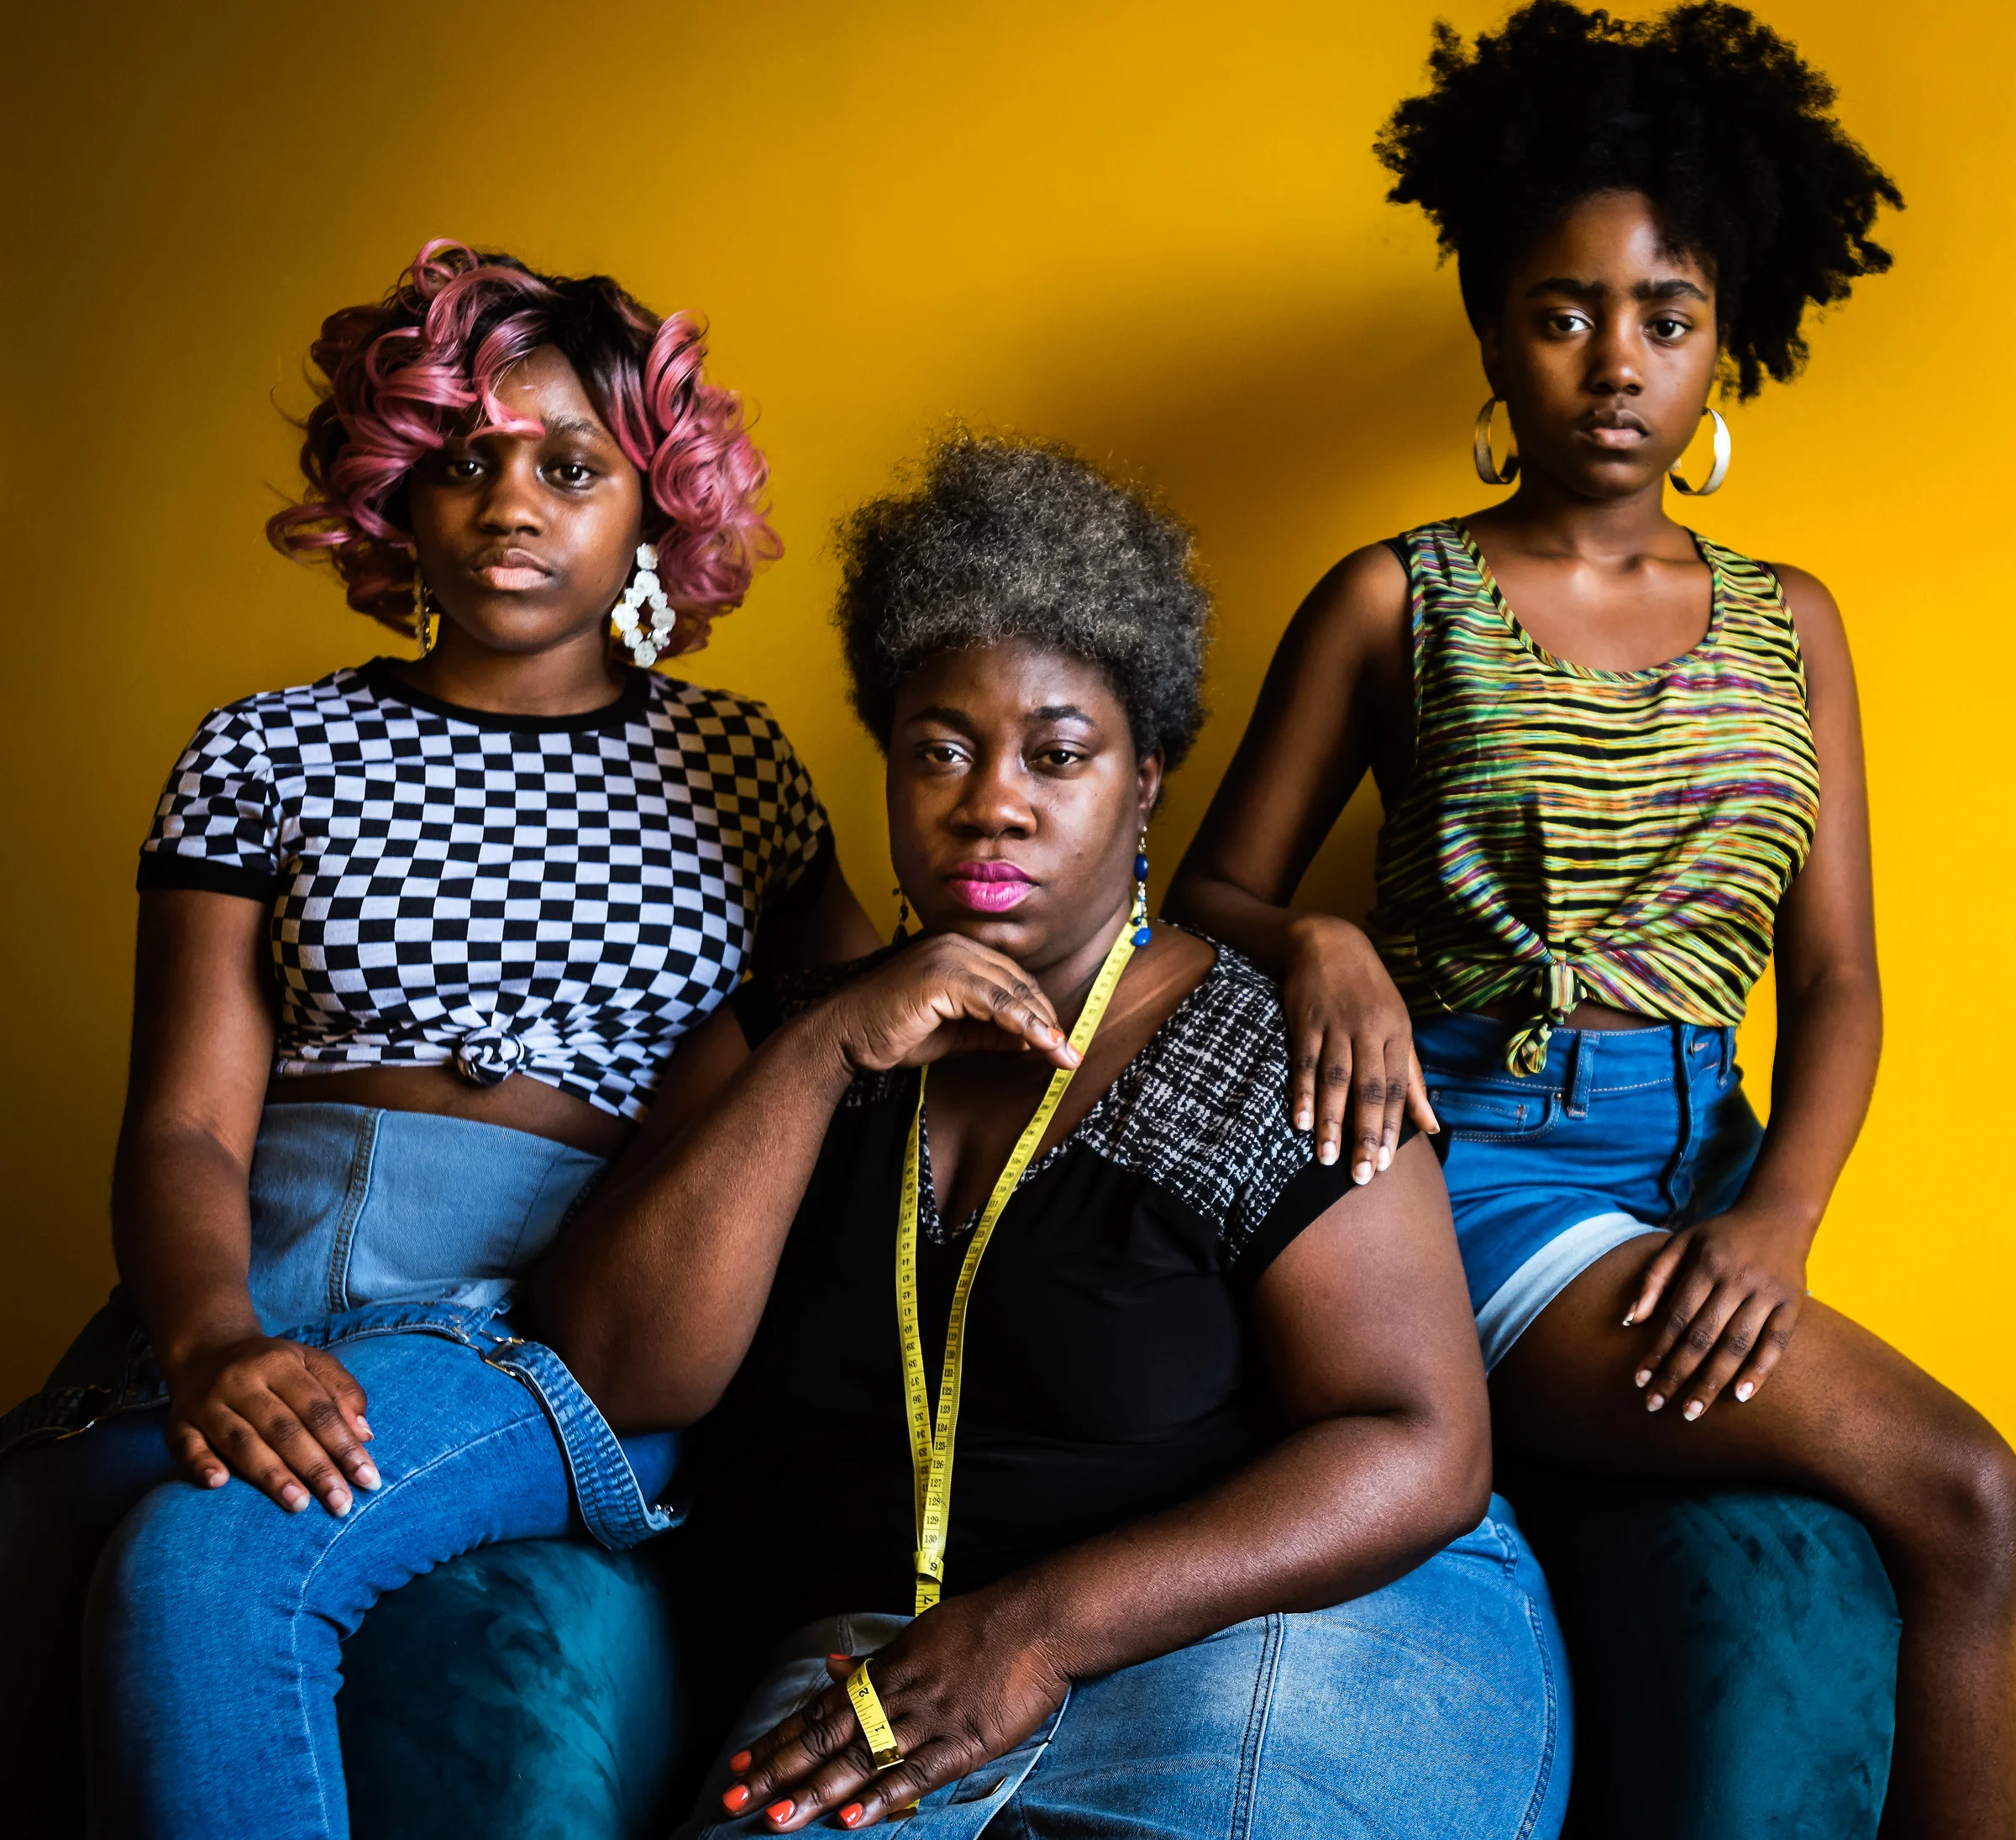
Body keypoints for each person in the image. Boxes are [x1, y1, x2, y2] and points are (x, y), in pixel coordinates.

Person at [1163, 5, 2015, 1831]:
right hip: (1466, 1177)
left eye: (1666, 316)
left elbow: (1844, 977)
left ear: (1729, 342)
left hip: (1710, 1168)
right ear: (1492, 328)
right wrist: (1319, 941)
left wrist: (1780, 1220)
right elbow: (1204, 898)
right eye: (1562, 313)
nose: (1614, 365)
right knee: (1974, 1493)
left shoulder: (1798, 621)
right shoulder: (1400, 598)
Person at [529, 432, 1572, 1838]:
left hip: (1265, 1633)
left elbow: (1423, 1443)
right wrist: (826, 1048)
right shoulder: (775, 1036)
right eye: (939, 749)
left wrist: (1029, 1633)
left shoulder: (1271, 1049)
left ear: (1145, 779)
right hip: (877, 1673)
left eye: (1059, 753)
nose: (991, 801)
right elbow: (613, 1376)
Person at [0, 239, 877, 1837]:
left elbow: (850, 1060)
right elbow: (187, 1121)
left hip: (541, 1325)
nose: (513, 502)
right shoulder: (266, 750)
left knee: (212, 1558)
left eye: (570, 465)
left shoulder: (737, 766)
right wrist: (207, 1341)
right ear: (397, 489)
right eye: (464, 460)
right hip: (256, 1278)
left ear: (655, 507)